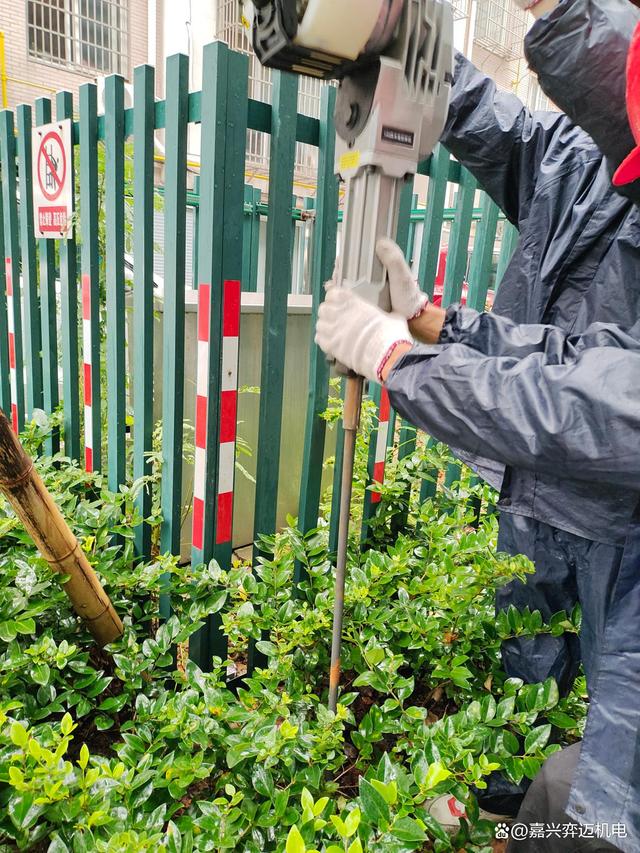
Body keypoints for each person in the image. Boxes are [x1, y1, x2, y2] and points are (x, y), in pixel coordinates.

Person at [315, 5, 640, 851]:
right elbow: (484, 114)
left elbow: (593, 400)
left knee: (605, 755)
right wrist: (394, 32)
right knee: (520, 658)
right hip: (528, 487)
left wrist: (403, 363)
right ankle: (504, 809)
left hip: (619, 520)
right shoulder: (574, 161)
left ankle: (548, 822)